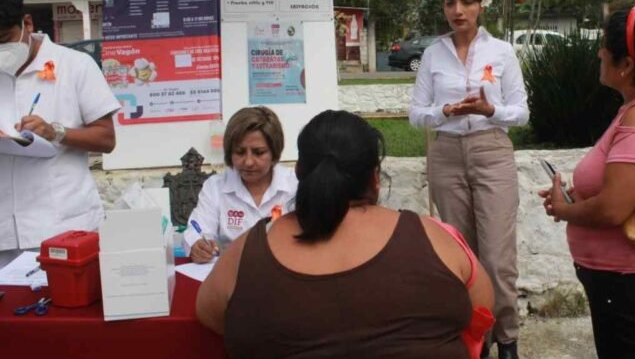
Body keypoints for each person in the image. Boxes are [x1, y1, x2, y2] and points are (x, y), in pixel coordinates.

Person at [196, 110, 495, 358]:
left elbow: (209, 315)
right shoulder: (435, 237)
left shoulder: (248, 251)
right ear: (375, 179)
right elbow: (482, 306)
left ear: (298, 173)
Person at [539, 5, 635, 359]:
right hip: (628, 279)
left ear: (626, 65)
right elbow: (625, 186)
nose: (599, 52)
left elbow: (613, 210)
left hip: (628, 282)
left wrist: (564, 209)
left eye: (605, 45)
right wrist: (580, 195)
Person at [408, 0, 529, 359]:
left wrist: (490, 109)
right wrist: (443, 111)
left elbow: (521, 113)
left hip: (491, 150)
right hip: (446, 153)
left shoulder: (502, 52)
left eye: (466, 2)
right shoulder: (432, 54)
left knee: (497, 257)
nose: (458, 10)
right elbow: (415, 114)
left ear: (480, 5)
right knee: (462, 256)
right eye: (449, 3)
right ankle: (476, 339)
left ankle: (507, 337)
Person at [0, 0, 120, 267]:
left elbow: (106, 139)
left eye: (4, 38)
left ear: (27, 24)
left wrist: (56, 132)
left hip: (60, 228)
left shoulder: (74, 65)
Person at [184, 106, 297, 263]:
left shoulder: (295, 185)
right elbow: (197, 230)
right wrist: (197, 245)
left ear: (274, 152)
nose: (248, 162)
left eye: (259, 152)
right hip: (231, 276)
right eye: (240, 152)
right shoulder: (215, 187)